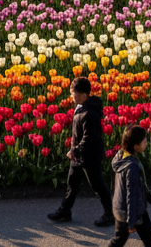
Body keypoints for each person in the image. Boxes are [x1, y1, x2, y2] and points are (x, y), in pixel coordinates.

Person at [47, 77, 114, 227]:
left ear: (85, 95)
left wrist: (75, 150)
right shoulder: (81, 106)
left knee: (97, 185)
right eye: (72, 94)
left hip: (89, 156)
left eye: (76, 94)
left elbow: (90, 138)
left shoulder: (90, 113)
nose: (73, 97)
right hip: (78, 155)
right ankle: (65, 210)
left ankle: (110, 214)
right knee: (72, 183)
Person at [109, 124, 151, 247]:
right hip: (134, 212)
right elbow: (131, 195)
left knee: (119, 239)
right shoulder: (132, 167)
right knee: (149, 239)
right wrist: (131, 222)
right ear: (136, 146)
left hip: (119, 208)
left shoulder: (121, 156)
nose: (147, 143)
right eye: (144, 141)